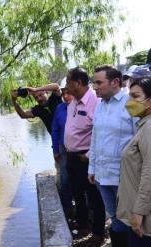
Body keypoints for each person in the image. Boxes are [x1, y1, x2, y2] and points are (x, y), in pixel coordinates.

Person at [88, 65, 135, 247]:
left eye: (99, 82)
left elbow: (141, 140)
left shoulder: (131, 103)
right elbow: (95, 138)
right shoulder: (100, 106)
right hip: (101, 176)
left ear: (115, 82)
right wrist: (92, 168)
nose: (95, 87)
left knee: (129, 219)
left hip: (123, 177)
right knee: (115, 218)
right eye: (94, 82)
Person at [64, 67, 105, 247]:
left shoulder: (95, 102)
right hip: (72, 157)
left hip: (85, 158)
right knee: (78, 193)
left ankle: (98, 233)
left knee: (94, 197)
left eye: (68, 82)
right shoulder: (73, 101)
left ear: (78, 83)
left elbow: (100, 131)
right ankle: (83, 225)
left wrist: (88, 155)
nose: (66, 86)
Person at [117, 73, 151, 246]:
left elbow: (149, 174)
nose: (129, 100)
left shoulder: (149, 128)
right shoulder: (143, 125)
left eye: (135, 96)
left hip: (145, 220)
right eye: (129, 95)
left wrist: (138, 212)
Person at [51, 78, 74, 220]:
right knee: (65, 180)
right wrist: (56, 150)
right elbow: (55, 130)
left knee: (81, 180)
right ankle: (68, 209)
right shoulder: (60, 108)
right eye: (63, 93)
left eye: (68, 93)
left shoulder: (80, 106)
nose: (65, 96)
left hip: (80, 150)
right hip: (63, 149)